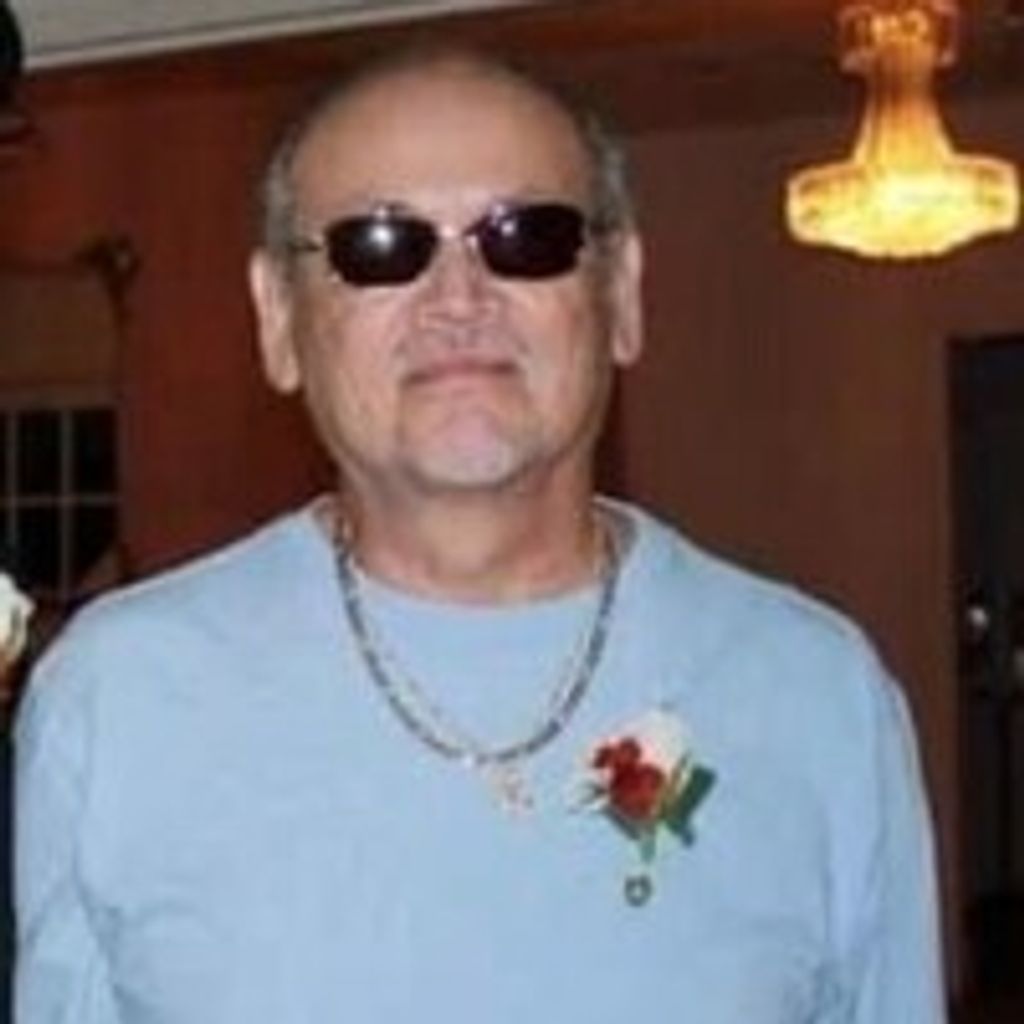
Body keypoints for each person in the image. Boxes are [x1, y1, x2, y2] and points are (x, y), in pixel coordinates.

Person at [15, 46, 946, 1023]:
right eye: (380, 244)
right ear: (279, 318)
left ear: (621, 294)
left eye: (526, 237)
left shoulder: (817, 696)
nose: (458, 299)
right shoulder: (118, 697)